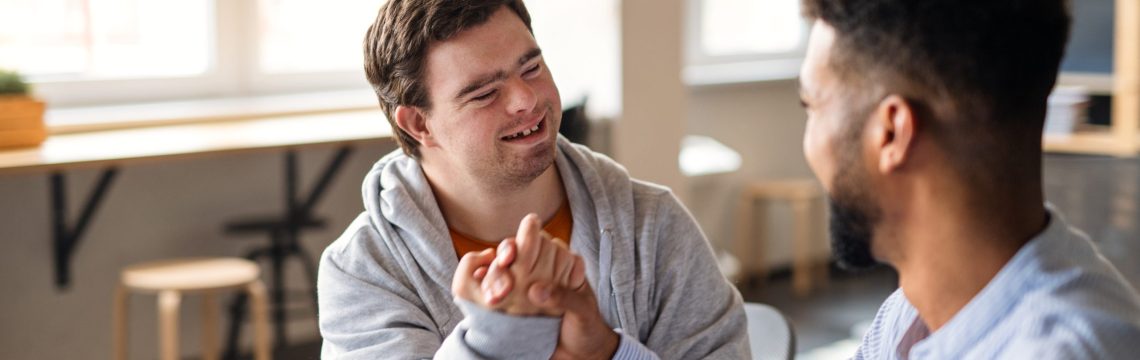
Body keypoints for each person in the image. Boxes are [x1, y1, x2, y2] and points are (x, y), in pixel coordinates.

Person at [316, 0, 749, 358]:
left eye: (532, 67)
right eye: (485, 93)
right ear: (418, 125)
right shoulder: (363, 271)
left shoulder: (654, 227)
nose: (527, 100)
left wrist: (607, 350)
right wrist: (497, 337)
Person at [796, 0, 1140, 358]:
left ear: (890, 133)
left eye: (812, 105)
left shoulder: (1061, 349)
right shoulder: (910, 312)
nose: (808, 143)